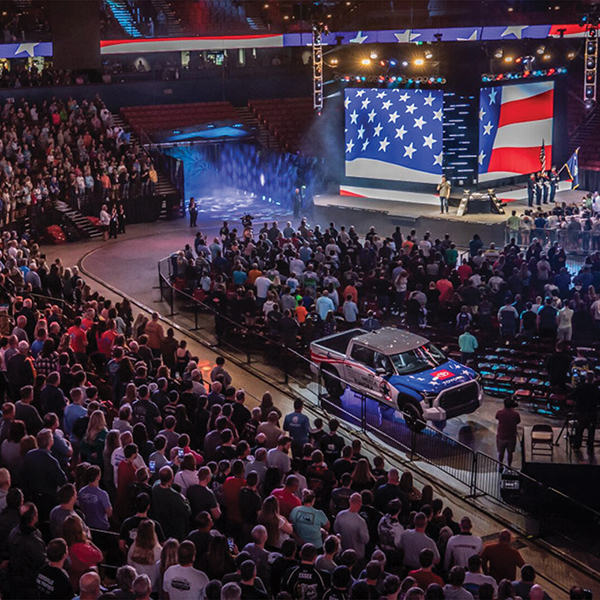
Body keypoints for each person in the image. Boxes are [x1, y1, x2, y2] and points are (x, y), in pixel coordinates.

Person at [152, 466, 192, 540]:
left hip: (160, 526)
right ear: (172, 478)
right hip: (174, 531)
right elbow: (187, 511)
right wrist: (185, 500)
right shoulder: (175, 496)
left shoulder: (155, 488)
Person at [571, 372, 600, 452]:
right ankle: (590, 446)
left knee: (579, 428)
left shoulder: (580, 387)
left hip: (581, 411)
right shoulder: (596, 389)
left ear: (586, 378)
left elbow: (572, 396)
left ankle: (577, 445)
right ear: (593, 379)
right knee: (591, 430)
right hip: (592, 412)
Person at [495, 398, 521, 469]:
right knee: (510, 453)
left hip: (501, 436)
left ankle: (500, 465)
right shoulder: (516, 414)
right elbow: (518, 421)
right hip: (511, 436)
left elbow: (496, 417)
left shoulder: (499, 413)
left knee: (501, 452)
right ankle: (509, 466)